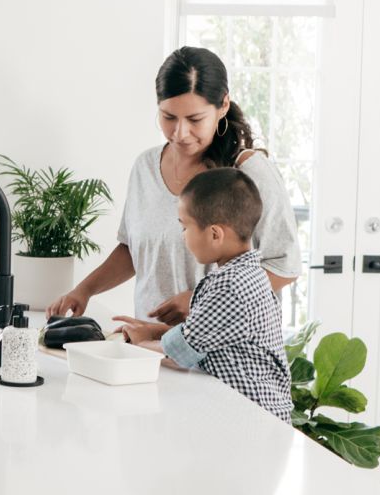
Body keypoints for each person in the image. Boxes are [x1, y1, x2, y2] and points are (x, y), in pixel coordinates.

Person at [47, 46, 301, 324]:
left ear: (223, 106)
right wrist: (84, 290)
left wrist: (200, 300)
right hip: (149, 346)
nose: (179, 133)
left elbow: (284, 268)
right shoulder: (145, 167)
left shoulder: (249, 173)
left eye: (195, 119)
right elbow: (135, 249)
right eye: (168, 117)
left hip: (221, 354)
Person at [117, 167, 293, 422]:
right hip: (247, 414)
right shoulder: (247, 275)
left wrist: (138, 344)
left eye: (185, 227)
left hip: (251, 419)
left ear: (214, 234)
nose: (183, 237)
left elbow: (180, 353)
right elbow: (203, 334)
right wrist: (151, 331)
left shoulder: (229, 287)